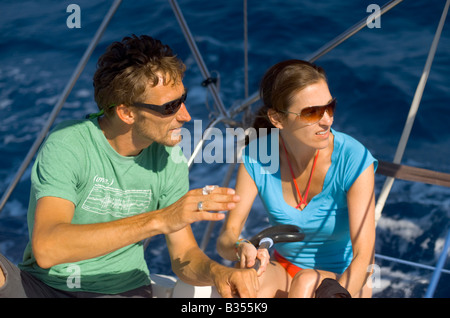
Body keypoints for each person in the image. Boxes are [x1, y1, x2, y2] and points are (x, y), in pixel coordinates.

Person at [0, 34, 259, 298]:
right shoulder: (69, 144)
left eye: (183, 99)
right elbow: (47, 249)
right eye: (169, 107)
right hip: (46, 288)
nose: (186, 115)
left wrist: (219, 272)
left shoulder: (169, 159)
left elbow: (184, 255)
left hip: (123, 292)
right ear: (127, 113)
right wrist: (160, 219)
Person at [217, 59, 377, 298]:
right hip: (283, 268)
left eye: (329, 107)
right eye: (311, 113)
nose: (327, 120)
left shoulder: (354, 158)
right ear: (277, 119)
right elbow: (226, 238)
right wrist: (241, 247)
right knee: (246, 282)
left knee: (306, 281)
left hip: (346, 280)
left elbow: (364, 257)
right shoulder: (256, 156)